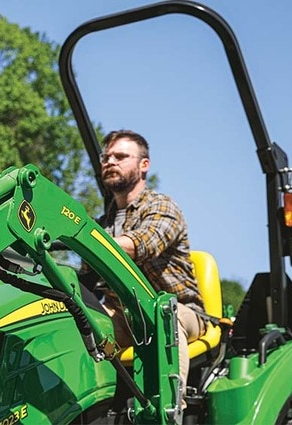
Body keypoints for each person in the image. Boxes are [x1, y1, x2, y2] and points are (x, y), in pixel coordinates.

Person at [96, 129, 205, 401]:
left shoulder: (163, 207)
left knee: (162, 314)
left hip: (179, 309)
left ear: (144, 165)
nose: (110, 161)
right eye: (106, 157)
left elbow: (141, 244)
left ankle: (167, 409)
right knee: (78, 323)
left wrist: (83, 239)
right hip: (124, 315)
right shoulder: (104, 222)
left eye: (120, 156)